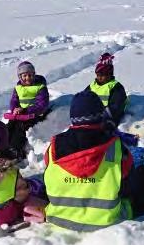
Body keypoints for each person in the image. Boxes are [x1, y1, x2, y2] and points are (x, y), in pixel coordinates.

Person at [42, 91, 135, 231]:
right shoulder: (115, 147)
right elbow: (127, 181)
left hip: (59, 219)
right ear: (100, 116)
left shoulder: (54, 146)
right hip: (105, 223)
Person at [6, 61, 50, 158]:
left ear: (34, 75)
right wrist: (15, 109)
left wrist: (26, 110)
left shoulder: (40, 87)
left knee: (19, 128)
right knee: (10, 125)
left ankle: (16, 149)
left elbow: (42, 104)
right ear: (20, 77)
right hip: (20, 114)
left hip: (34, 115)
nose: (27, 78)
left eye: (30, 75)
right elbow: (14, 101)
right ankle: (4, 145)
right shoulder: (18, 88)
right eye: (24, 76)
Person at [86, 52, 128, 126]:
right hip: (91, 118)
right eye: (98, 75)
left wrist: (100, 115)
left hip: (108, 121)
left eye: (102, 75)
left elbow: (116, 107)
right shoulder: (92, 85)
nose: (99, 77)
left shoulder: (116, 87)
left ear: (109, 74)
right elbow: (83, 98)